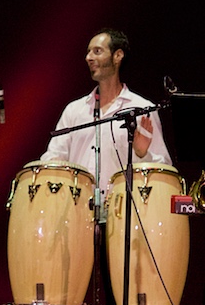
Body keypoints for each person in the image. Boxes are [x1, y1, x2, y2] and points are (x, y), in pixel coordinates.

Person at [39, 28, 171, 196]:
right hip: (77, 211)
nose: (89, 58)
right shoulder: (74, 110)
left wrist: (142, 154)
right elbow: (54, 158)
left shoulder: (142, 109)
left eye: (97, 51)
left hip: (123, 212)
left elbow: (164, 169)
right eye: (88, 52)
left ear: (118, 56)